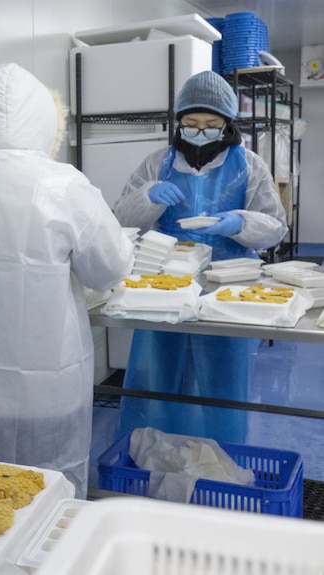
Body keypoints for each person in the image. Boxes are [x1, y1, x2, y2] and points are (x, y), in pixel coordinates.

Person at [0, 62, 136, 497]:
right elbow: (110, 267)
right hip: (41, 387)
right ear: (42, 118)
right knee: (41, 491)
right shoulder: (63, 185)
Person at [113, 70, 288, 444]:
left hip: (227, 289)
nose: (200, 132)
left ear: (227, 124)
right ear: (178, 121)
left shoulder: (248, 165)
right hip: (165, 287)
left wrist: (239, 222)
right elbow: (120, 218)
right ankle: (150, 452)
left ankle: (220, 456)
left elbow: (276, 226)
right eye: (191, 124)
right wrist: (147, 197)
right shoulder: (157, 163)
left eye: (211, 125)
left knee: (221, 382)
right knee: (158, 379)